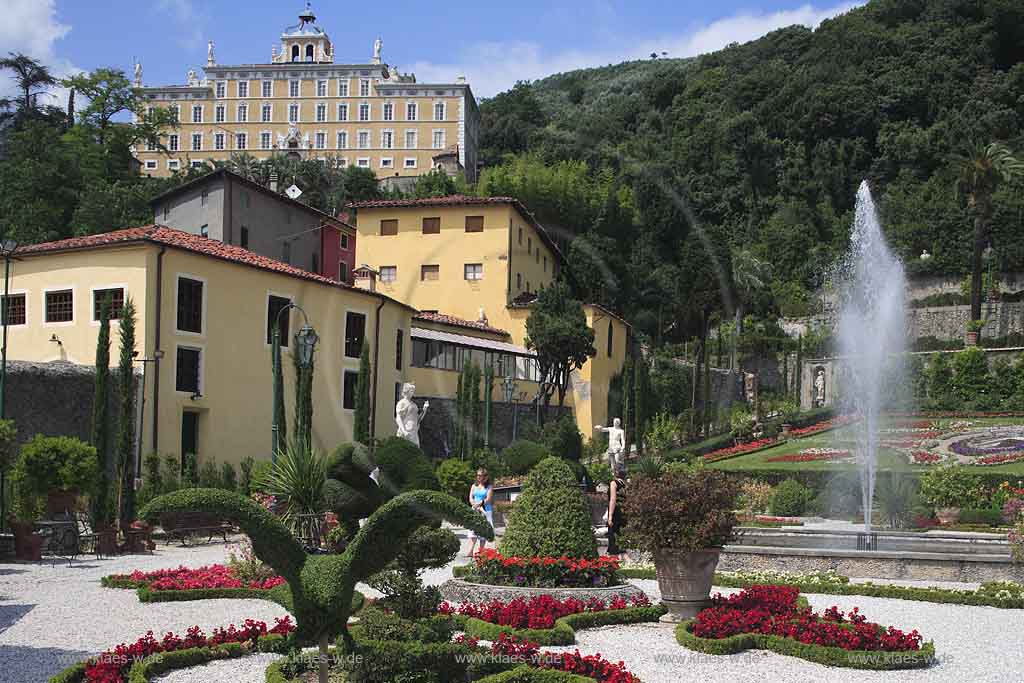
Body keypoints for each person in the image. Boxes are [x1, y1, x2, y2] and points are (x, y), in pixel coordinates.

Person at [467, 468, 493, 556]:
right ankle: (470, 550)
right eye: (478, 475)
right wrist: (474, 504)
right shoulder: (474, 486)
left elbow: (488, 499)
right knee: (472, 530)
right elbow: (470, 497)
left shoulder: (489, 487)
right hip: (474, 509)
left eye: (481, 475)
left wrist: (480, 504)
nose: (479, 477)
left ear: (485, 476)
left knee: (483, 530)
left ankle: (481, 551)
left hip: (485, 510)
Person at [606, 461, 627, 557]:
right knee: (620, 534)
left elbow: (613, 499)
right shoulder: (625, 484)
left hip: (616, 511)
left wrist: (609, 516)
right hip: (623, 511)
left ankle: (613, 557)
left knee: (612, 533)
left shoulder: (613, 483)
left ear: (616, 472)